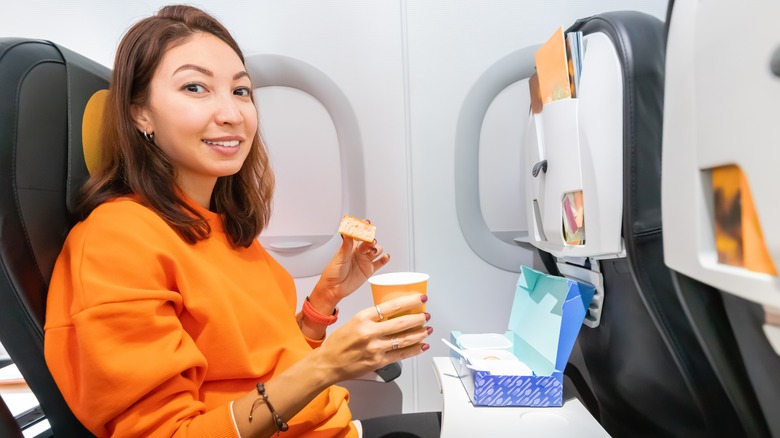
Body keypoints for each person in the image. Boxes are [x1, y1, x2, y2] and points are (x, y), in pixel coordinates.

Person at [43, 5, 437, 438]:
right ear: (141, 114)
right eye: (195, 88)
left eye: (241, 91)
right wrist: (330, 365)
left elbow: (262, 365)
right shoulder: (116, 241)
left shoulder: (224, 227)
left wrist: (322, 303)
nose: (231, 113)